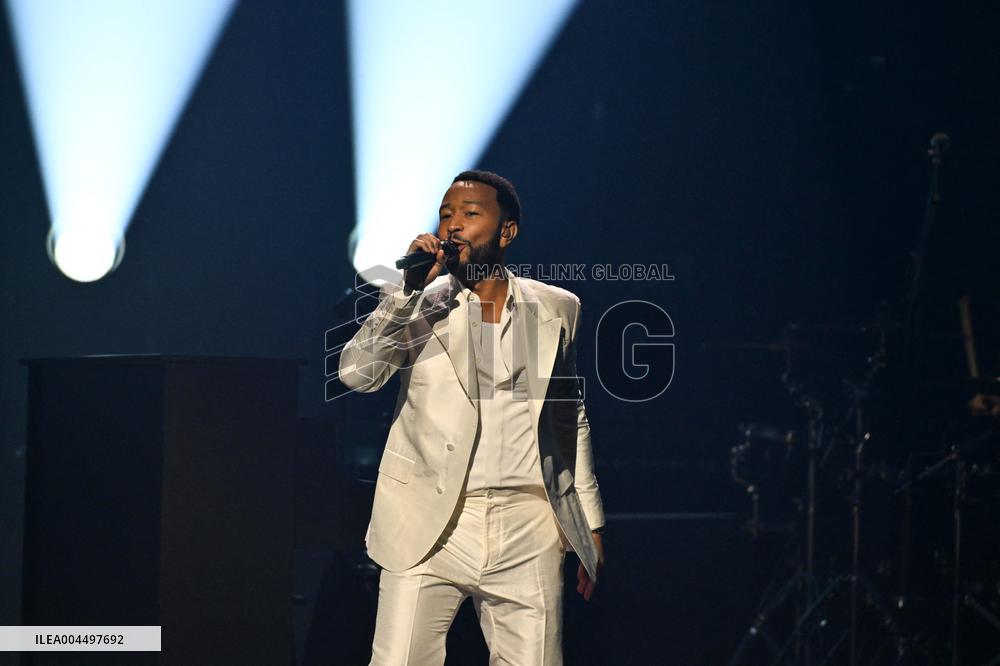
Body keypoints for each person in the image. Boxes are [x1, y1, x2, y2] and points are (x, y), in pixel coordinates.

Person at [339, 170, 605, 665]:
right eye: (445, 215)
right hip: (429, 522)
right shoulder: (421, 305)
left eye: (470, 214)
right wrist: (404, 293)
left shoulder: (553, 308)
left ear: (507, 231)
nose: (453, 226)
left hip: (528, 524)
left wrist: (587, 519)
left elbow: (566, 416)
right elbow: (357, 375)